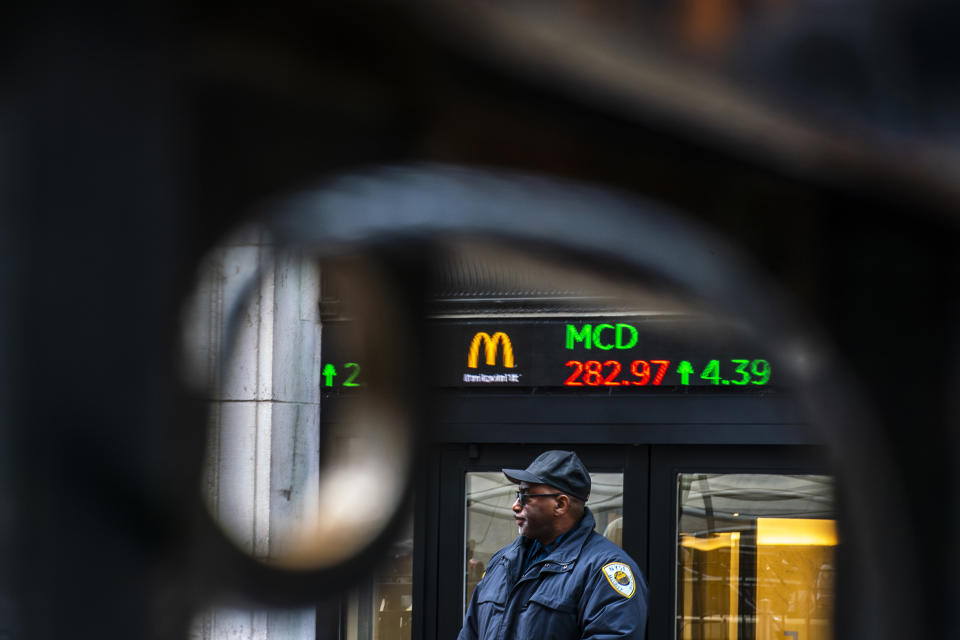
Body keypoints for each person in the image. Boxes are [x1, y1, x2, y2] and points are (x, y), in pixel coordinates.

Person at [458, 450, 648, 640]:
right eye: (517, 495)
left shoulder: (602, 572)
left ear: (560, 504)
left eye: (526, 496)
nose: (515, 505)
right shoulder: (501, 562)